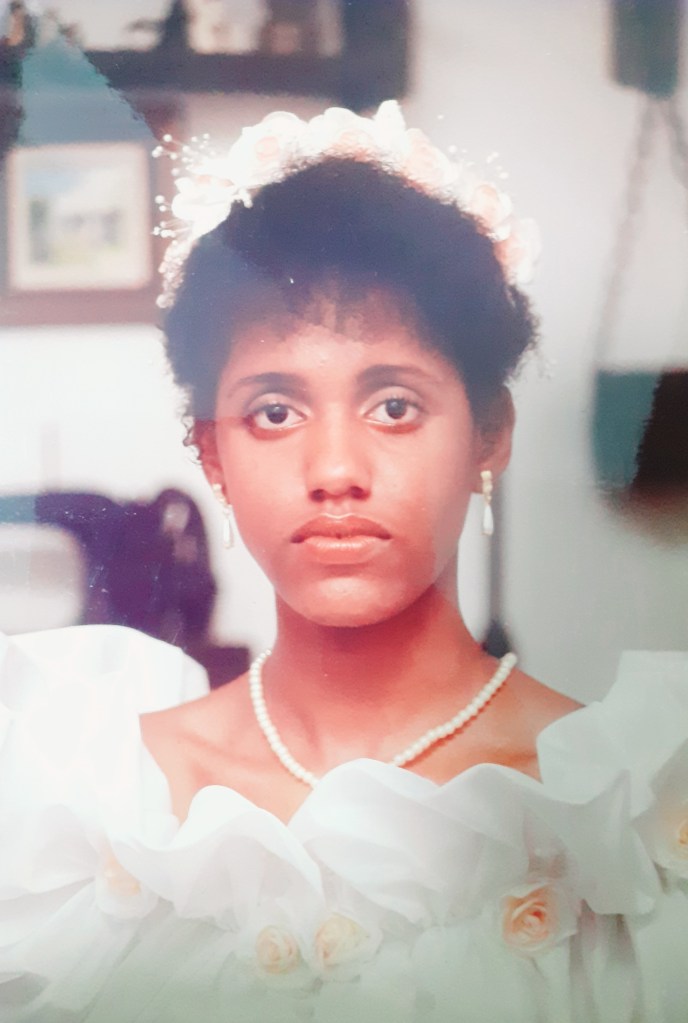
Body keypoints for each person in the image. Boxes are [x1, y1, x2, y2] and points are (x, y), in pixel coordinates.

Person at [1, 102, 686, 1023]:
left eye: (394, 406)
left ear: (490, 433)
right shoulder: (95, 810)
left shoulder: (625, 820)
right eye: (275, 412)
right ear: (213, 454)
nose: (334, 470)